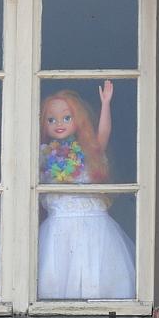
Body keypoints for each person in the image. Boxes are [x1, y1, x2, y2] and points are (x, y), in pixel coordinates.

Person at [38, 81, 136, 299]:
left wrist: (106, 104)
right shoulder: (43, 154)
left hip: (94, 226)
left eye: (66, 117)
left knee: (97, 279)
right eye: (51, 119)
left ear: (78, 120)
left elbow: (103, 134)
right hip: (58, 229)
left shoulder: (86, 151)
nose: (59, 124)